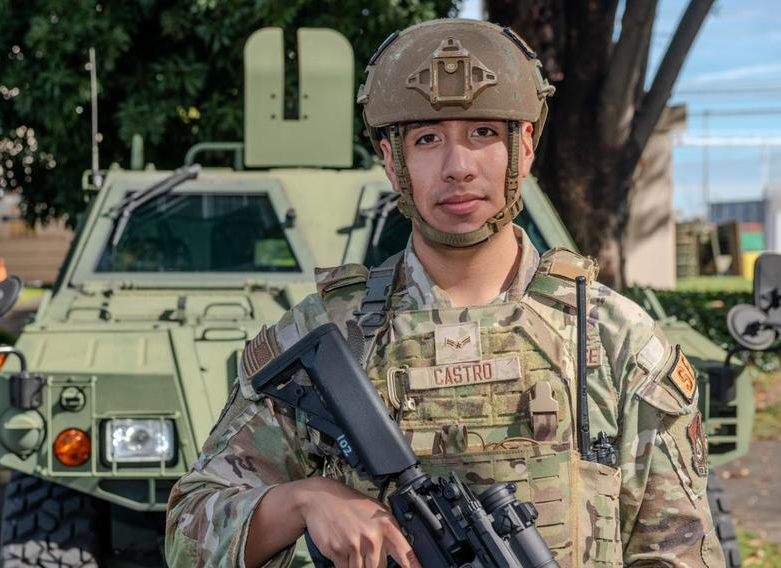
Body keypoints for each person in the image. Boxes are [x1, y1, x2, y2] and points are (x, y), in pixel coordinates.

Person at [166, 18, 724, 568]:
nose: (457, 167)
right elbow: (190, 531)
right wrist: (303, 500)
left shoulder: (616, 342)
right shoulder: (326, 338)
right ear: (392, 160)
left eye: (482, 133)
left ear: (524, 146)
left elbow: (680, 552)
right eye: (428, 140)